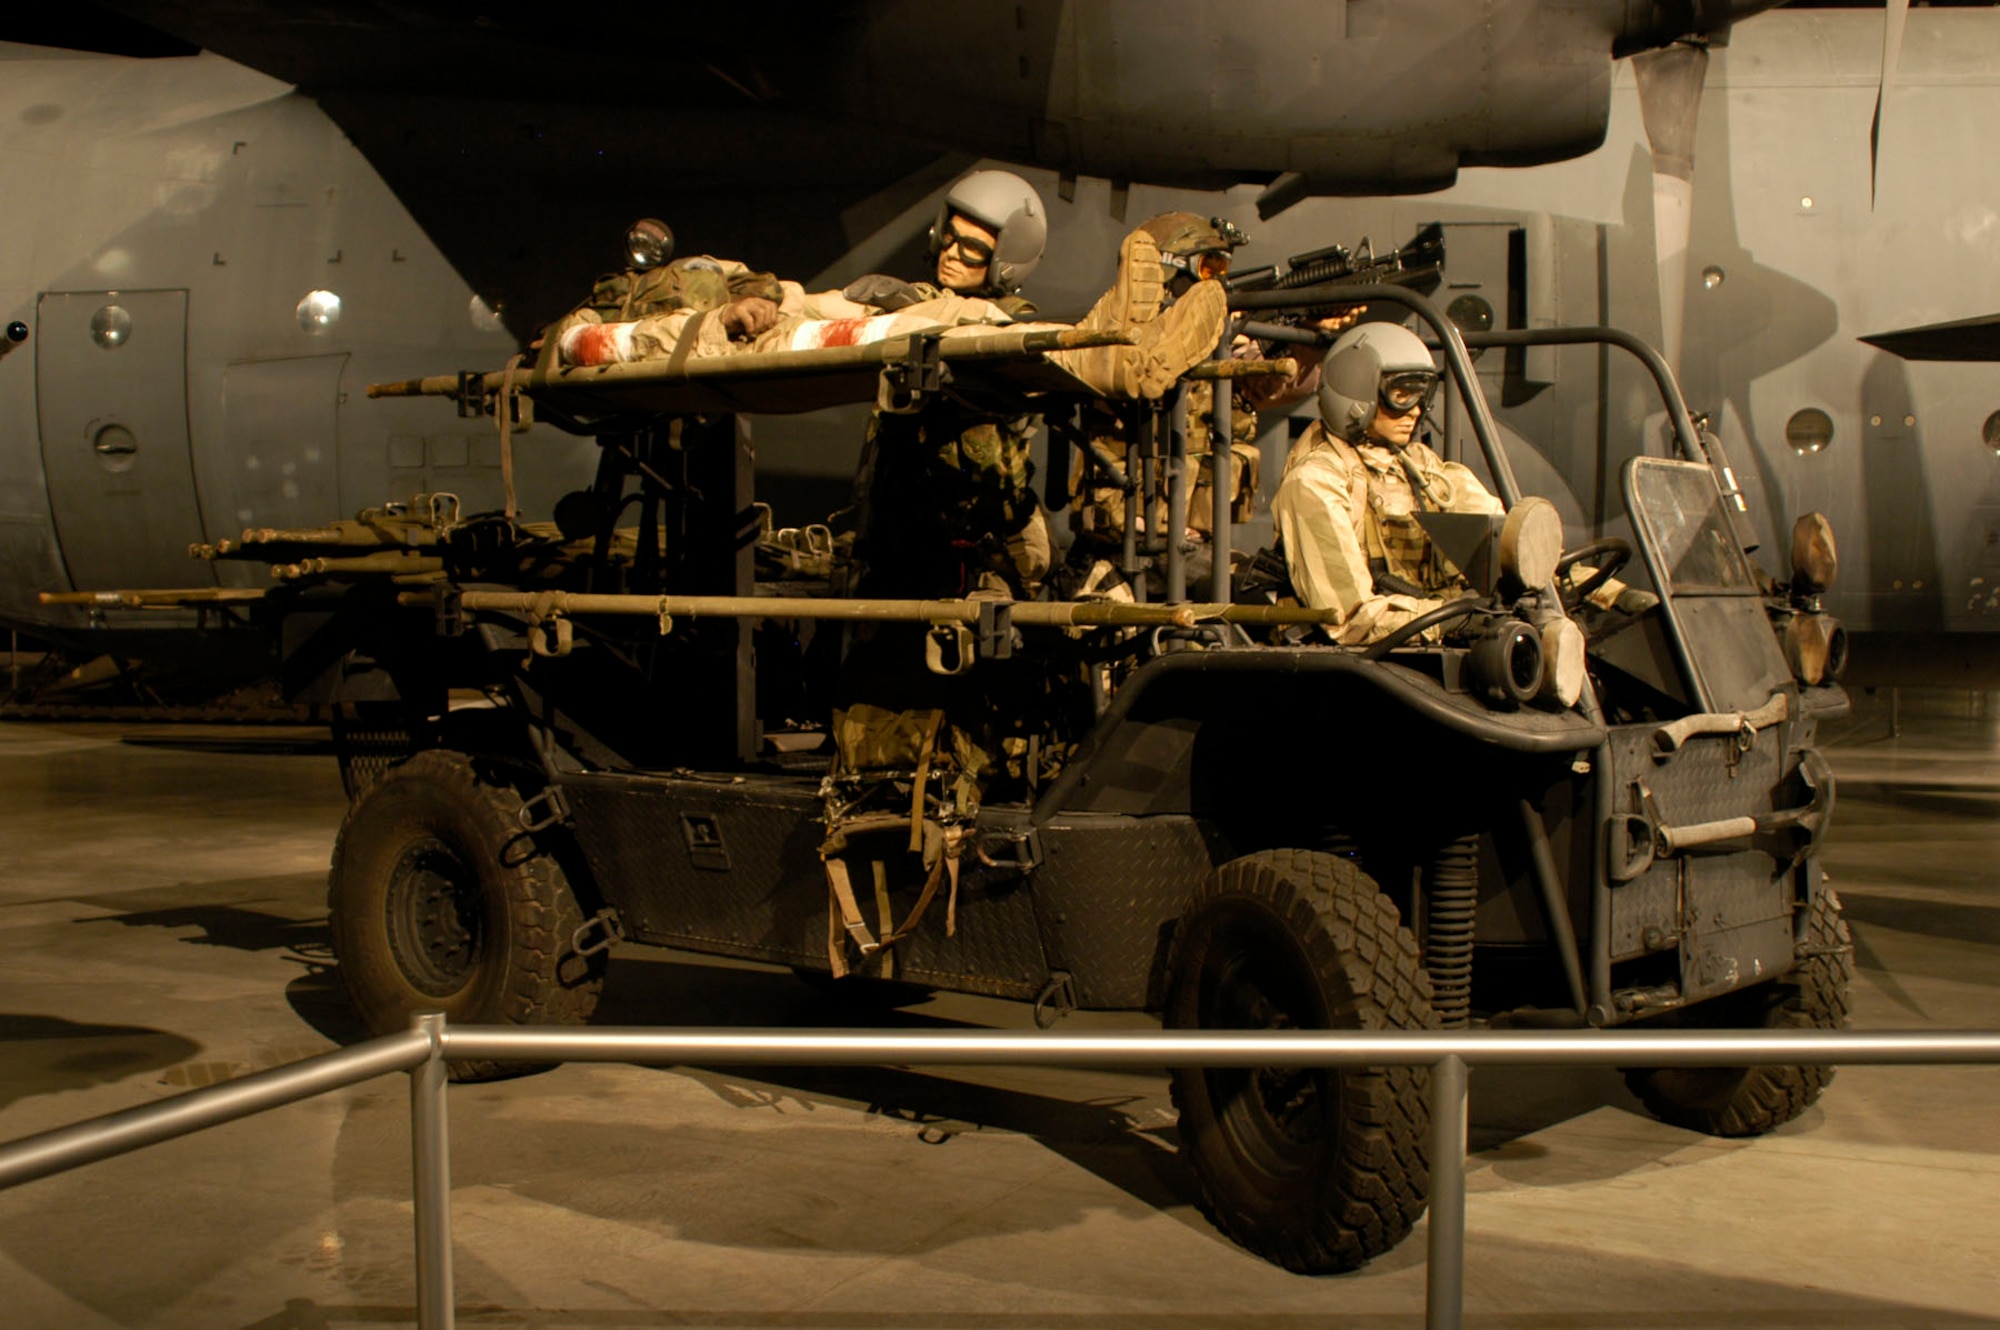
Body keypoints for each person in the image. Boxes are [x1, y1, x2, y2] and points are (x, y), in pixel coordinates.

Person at [1069, 211, 1361, 570]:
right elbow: (1135, 370)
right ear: (1170, 268)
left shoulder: (1213, 349)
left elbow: (1266, 384)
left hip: (1189, 549)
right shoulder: (1117, 342)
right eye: (1208, 270)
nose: (1217, 284)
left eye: (1221, 271)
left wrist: (1308, 335)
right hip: (1126, 550)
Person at [1271, 321, 1502, 646]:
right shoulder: (1316, 483)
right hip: (1368, 658)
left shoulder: (1425, 470)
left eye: (1421, 397)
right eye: (1401, 395)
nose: (1415, 411)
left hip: (1431, 639)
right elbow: (1351, 618)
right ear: (1357, 393)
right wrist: (1454, 620)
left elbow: (1504, 540)